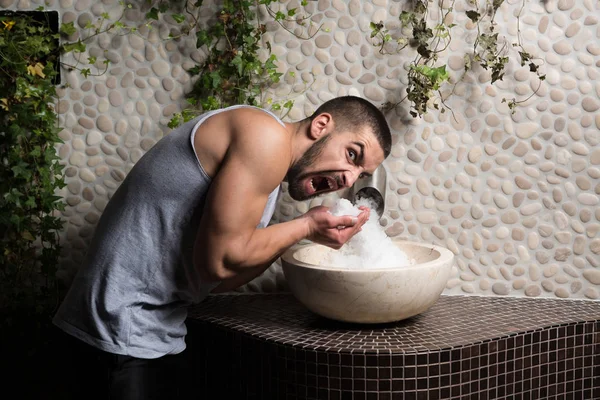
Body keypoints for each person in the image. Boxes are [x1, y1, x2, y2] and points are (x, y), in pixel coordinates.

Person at [53, 95, 392, 399]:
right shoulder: (265, 137)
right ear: (321, 125)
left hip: (150, 333)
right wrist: (305, 224)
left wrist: (304, 233)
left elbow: (220, 280)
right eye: (352, 154)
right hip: (115, 331)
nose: (348, 178)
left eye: (360, 173)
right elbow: (217, 263)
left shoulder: (267, 178)